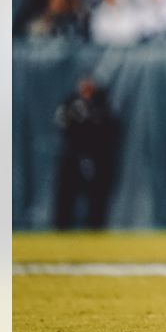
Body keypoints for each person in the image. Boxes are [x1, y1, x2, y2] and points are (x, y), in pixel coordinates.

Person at [53, 78, 121, 229]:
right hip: (74, 157)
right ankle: (62, 229)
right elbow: (62, 123)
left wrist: (92, 116)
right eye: (83, 88)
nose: (86, 91)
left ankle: (95, 228)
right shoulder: (71, 105)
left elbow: (112, 131)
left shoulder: (103, 107)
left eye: (89, 88)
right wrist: (74, 114)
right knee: (67, 196)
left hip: (98, 158)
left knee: (97, 198)